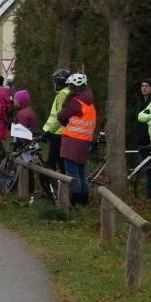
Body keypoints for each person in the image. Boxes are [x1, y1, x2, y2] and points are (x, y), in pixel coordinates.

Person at [56, 73, 96, 206]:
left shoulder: (75, 101)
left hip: (72, 141)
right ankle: (84, 200)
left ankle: (75, 201)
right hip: (85, 142)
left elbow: (61, 116)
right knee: (81, 172)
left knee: (72, 174)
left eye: (71, 86)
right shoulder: (89, 101)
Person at [12, 89, 40, 198]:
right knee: (29, 170)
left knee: (25, 168)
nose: (13, 102)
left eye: (15, 100)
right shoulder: (28, 110)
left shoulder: (23, 114)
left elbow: (22, 133)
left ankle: (26, 191)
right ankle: (29, 190)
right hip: (31, 143)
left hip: (27, 145)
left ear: (21, 102)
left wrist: (18, 144)